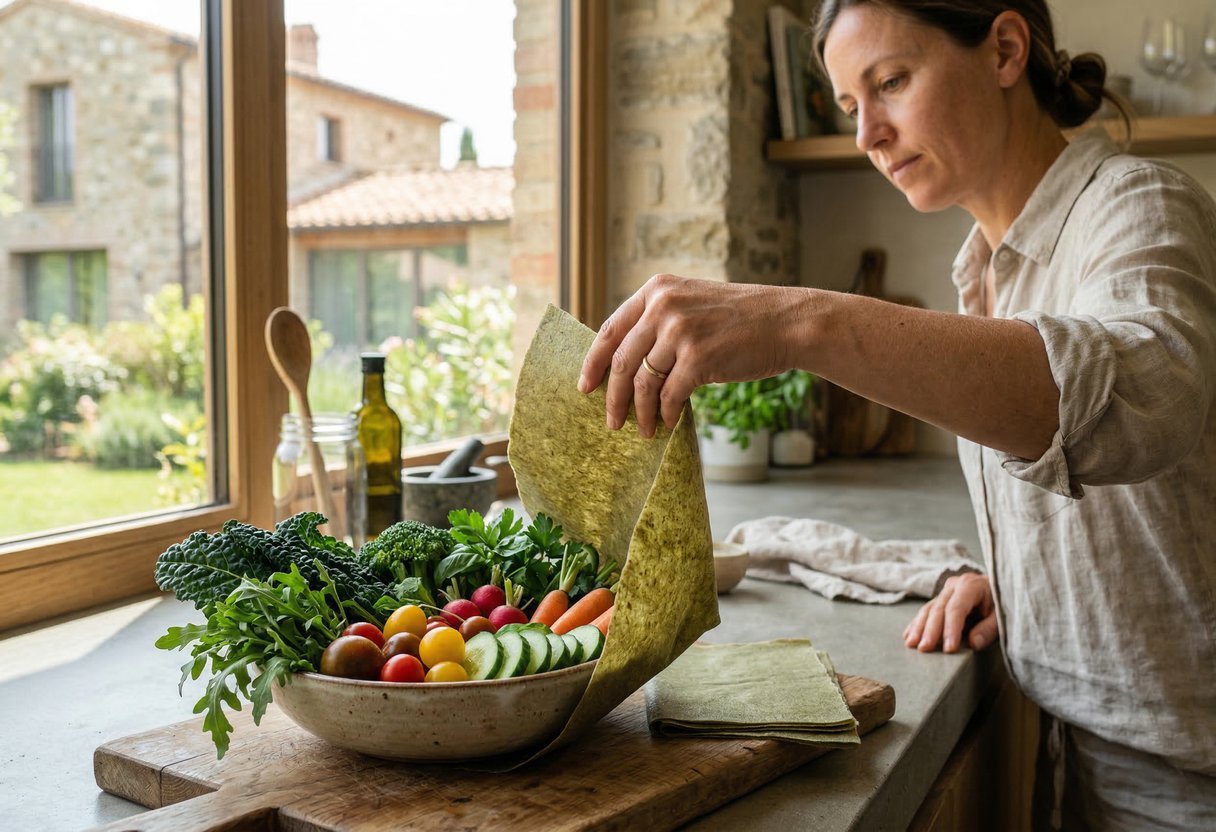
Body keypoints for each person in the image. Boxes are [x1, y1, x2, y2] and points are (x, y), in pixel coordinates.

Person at [577, 1, 1216, 828]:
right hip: (1084, 755)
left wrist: (800, 321)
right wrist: (1026, 578)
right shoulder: (985, 270)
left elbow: (1145, 399)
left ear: (1005, 50)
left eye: (891, 82)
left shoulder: (1141, 205)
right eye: (851, 106)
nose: (868, 134)